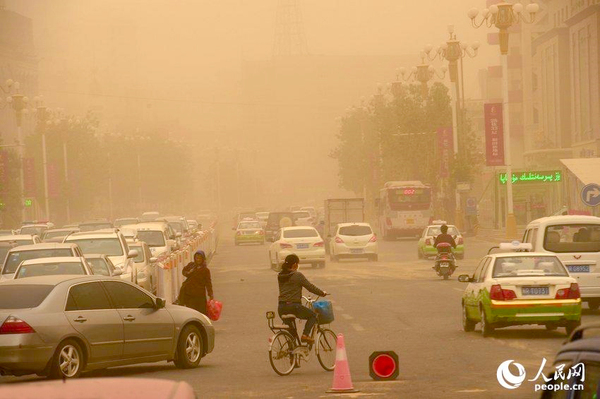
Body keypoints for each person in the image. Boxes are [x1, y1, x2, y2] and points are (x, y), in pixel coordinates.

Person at [277, 254, 328, 344]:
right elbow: (310, 287)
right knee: (313, 316)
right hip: (293, 307)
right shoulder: (297, 275)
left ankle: (292, 352)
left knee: (292, 335)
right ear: (295, 264)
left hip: (281, 308)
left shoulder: (280, 275)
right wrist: (322, 293)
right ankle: (305, 335)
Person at [179, 250, 213, 315]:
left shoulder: (205, 270)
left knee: (201, 313)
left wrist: (210, 294)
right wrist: (188, 272)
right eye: (197, 258)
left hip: (199, 296)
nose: (198, 260)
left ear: (203, 259)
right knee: (191, 313)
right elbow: (184, 271)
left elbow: (208, 283)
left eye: (200, 258)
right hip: (189, 295)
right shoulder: (191, 265)